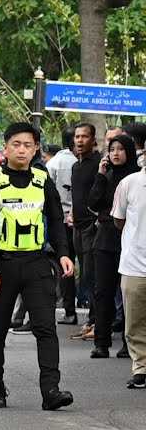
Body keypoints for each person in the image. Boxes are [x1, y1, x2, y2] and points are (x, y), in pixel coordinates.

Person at [0, 122, 75, 410]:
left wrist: (63, 253)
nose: (21, 149)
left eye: (28, 145)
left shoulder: (42, 180)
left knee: (46, 329)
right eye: (16, 144)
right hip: (1, 265)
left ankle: (51, 390)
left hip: (36, 263)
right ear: (5, 147)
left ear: (36, 149)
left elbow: (55, 220)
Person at [88, 134, 136, 358]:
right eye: (112, 149)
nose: (116, 153)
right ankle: (101, 342)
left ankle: (129, 345)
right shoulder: (105, 176)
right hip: (105, 240)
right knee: (102, 293)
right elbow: (94, 203)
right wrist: (99, 175)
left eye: (121, 149)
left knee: (128, 294)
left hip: (130, 241)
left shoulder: (136, 179)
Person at [112, 156, 146, 388]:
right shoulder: (129, 183)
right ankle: (141, 368)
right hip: (135, 264)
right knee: (134, 321)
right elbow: (119, 219)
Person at [70, 122, 101, 337]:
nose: (80, 140)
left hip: (93, 227)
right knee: (84, 277)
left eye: (84, 137)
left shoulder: (99, 164)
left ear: (93, 140)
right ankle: (91, 320)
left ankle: (95, 322)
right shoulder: (75, 165)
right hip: (77, 226)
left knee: (92, 276)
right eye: (77, 136)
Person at [47, 127, 79, 324]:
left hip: (60, 221)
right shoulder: (78, 162)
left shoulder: (53, 163)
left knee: (64, 266)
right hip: (77, 221)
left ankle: (69, 311)